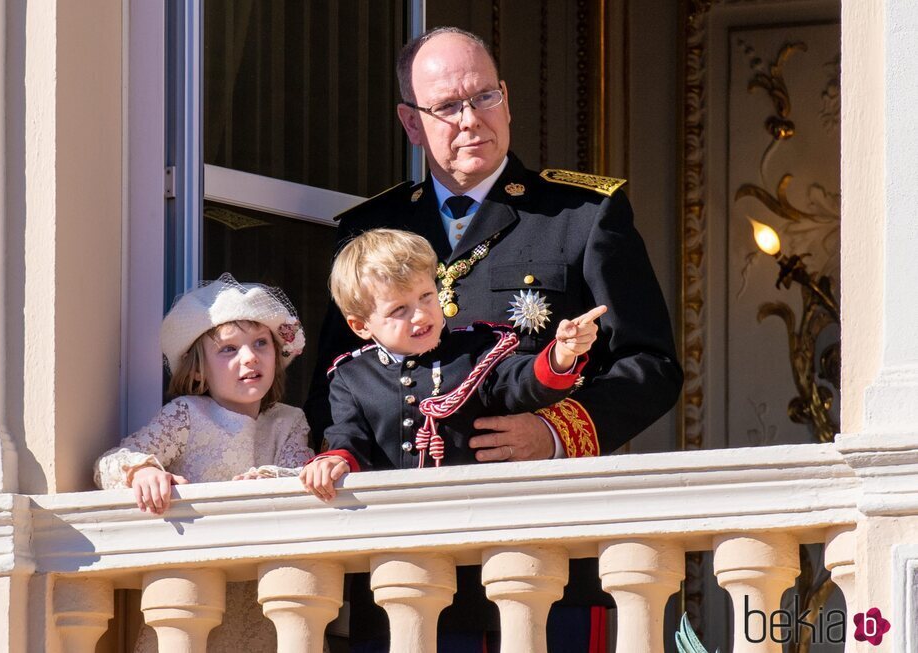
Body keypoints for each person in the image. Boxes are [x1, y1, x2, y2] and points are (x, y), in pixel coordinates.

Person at [303, 26, 683, 653]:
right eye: (448, 106)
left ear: (506, 100)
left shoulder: (580, 217)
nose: (471, 119)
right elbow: (329, 384)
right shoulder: (369, 232)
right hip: (399, 563)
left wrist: (556, 431)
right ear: (411, 122)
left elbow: (651, 365)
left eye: (484, 97)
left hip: (544, 553)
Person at [300, 228, 605, 650]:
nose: (421, 315)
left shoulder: (477, 350)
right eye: (400, 309)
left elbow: (521, 384)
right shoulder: (351, 377)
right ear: (360, 325)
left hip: (478, 557)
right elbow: (347, 437)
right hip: (394, 556)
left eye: (426, 297)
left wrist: (560, 356)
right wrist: (334, 460)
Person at [95, 273, 312, 653]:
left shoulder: (288, 422)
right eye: (229, 349)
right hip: (192, 592)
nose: (250, 357)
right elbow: (111, 462)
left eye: (261, 343)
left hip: (265, 602)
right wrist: (143, 471)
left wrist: (267, 481)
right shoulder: (187, 414)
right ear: (197, 369)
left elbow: (302, 478)